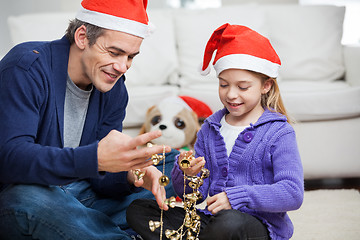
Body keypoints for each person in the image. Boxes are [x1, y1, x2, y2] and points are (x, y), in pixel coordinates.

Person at [0, 0, 177, 239]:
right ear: (82, 37)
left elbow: (101, 178)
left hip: (81, 193)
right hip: (29, 194)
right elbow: (11, 160)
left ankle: (86, 226)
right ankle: (118, 230)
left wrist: (132, 173)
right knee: (28, 200)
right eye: (114, 52)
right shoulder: (26, 68)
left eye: (130, 57)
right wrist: (94, 159)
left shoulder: (114, 88)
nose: (122, 66)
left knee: (172, 163)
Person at [127, 23, 304, 240]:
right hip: (211, 221)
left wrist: (235, 198)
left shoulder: (278, 132)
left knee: (228, 223)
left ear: (266, 85)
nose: (231, 94)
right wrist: (187, 175)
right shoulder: (210, 129)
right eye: (223, 84)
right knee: (139, 210)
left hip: (257, 226)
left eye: (242, 87)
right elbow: (193, 194)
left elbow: (292, 193)